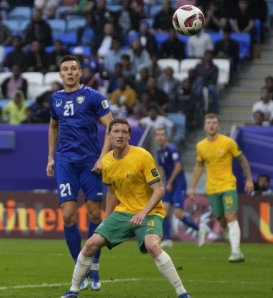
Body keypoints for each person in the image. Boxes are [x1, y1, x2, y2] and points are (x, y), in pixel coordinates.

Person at [60, 118, 191, 298]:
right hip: (123, 213)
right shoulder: (106, 162)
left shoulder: (142, 156)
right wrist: (106, 220)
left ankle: (182, 293)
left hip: (150, 212)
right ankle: (73, 291)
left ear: (129, 135)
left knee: (152, 246)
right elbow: (112, 192)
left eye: (124, 132)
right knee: (90, 244)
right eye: (116, 131)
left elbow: (159, 189)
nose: (120, 135)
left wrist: (142, 213)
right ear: (109, 135)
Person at [47, 55, 113, 291]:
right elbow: (53, 127)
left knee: (95, 213)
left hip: (89, 162)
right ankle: (80, 268)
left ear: (80, 72)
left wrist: (102, 157)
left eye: (74, 69)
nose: (70, 72)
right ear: (60, 74)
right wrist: (50, 157)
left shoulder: (94, 96)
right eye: (65, 69)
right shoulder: (55, 99)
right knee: (67, 215)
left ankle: (94, 263)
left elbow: (111, 127)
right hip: (65, 162)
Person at [188, 113, 254, 262]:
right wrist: (192, 187)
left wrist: (249, 179)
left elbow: (242, 159)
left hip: (228, 184)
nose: (211, 125)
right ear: (205, 126)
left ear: (218, 126)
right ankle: (231, 240)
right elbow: (199, 165)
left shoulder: (228, 142)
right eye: (208, 123)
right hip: (212, 188)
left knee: (231, 215)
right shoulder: (201, 146)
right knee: (222, 220)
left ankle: (236, 251)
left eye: (214, 123)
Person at [154, 128, 205, 248]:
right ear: (155, 138)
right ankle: (167, 240)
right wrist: (160, 183)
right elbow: (163, 169)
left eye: (162, 134)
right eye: (158, 135)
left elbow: (178, 167)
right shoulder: (159, 152)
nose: (160, 137)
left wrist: (170, 182)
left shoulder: (172, 149)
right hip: (168, 184)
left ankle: (200, 230)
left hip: (178, 184)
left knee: (178, 214)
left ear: (166, 137)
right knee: (163, 212)